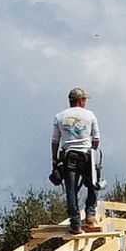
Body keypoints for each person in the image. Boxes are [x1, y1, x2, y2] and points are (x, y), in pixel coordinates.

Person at [50, 88, 103, 232]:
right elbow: (97, 138)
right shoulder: (90, 115)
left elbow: (55, 141)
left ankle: (75, 223)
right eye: (84, 99)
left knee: (71, 191)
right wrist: (92, 149)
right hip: (86, 156)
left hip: (68, 157)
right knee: (93, 184)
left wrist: (54, 160)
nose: (85, 102)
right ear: (80, 100)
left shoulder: (60, 116)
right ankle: (90, 214)